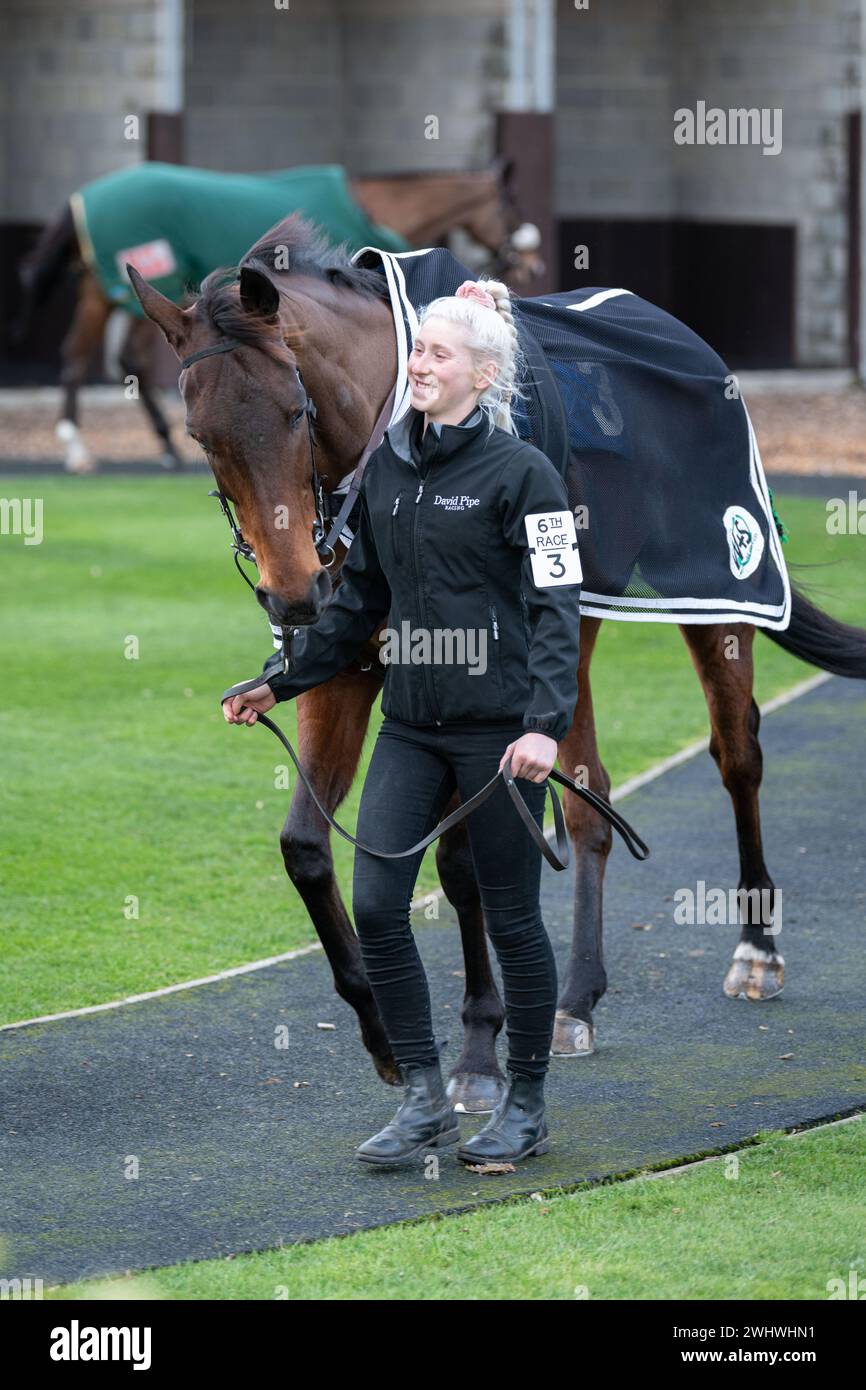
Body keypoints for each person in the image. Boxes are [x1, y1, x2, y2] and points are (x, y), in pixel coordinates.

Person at [221, 278, 583, 1167]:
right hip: (413, 729)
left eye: (437, 355)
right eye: (416, 351)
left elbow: (557, 608)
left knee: (513, 919)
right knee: (378, 905)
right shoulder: (386, 470)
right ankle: (423, 1098)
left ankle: (525, 1106)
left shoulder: (527, 476)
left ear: (484, 374)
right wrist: (281, 679)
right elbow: (358, 610)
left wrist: (544, 725)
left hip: (501, 737)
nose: (417, 365)